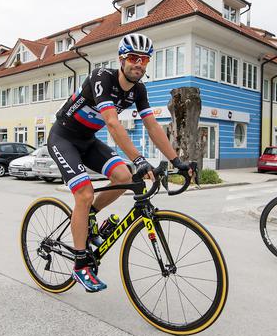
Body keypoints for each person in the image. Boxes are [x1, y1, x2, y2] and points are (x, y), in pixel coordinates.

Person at [48, 32, 194, 293]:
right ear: (121, 59)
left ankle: (90, 215)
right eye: (133, 58)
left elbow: (152, 126)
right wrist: (138, 159)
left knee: (124, 178)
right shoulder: (101, 78)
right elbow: (113, 123)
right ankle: (81, 264)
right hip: (63, 138)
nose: (139, 63)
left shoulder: (139, 90)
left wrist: (176, 160)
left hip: (88, 140)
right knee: (84, 193)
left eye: (145, 60)